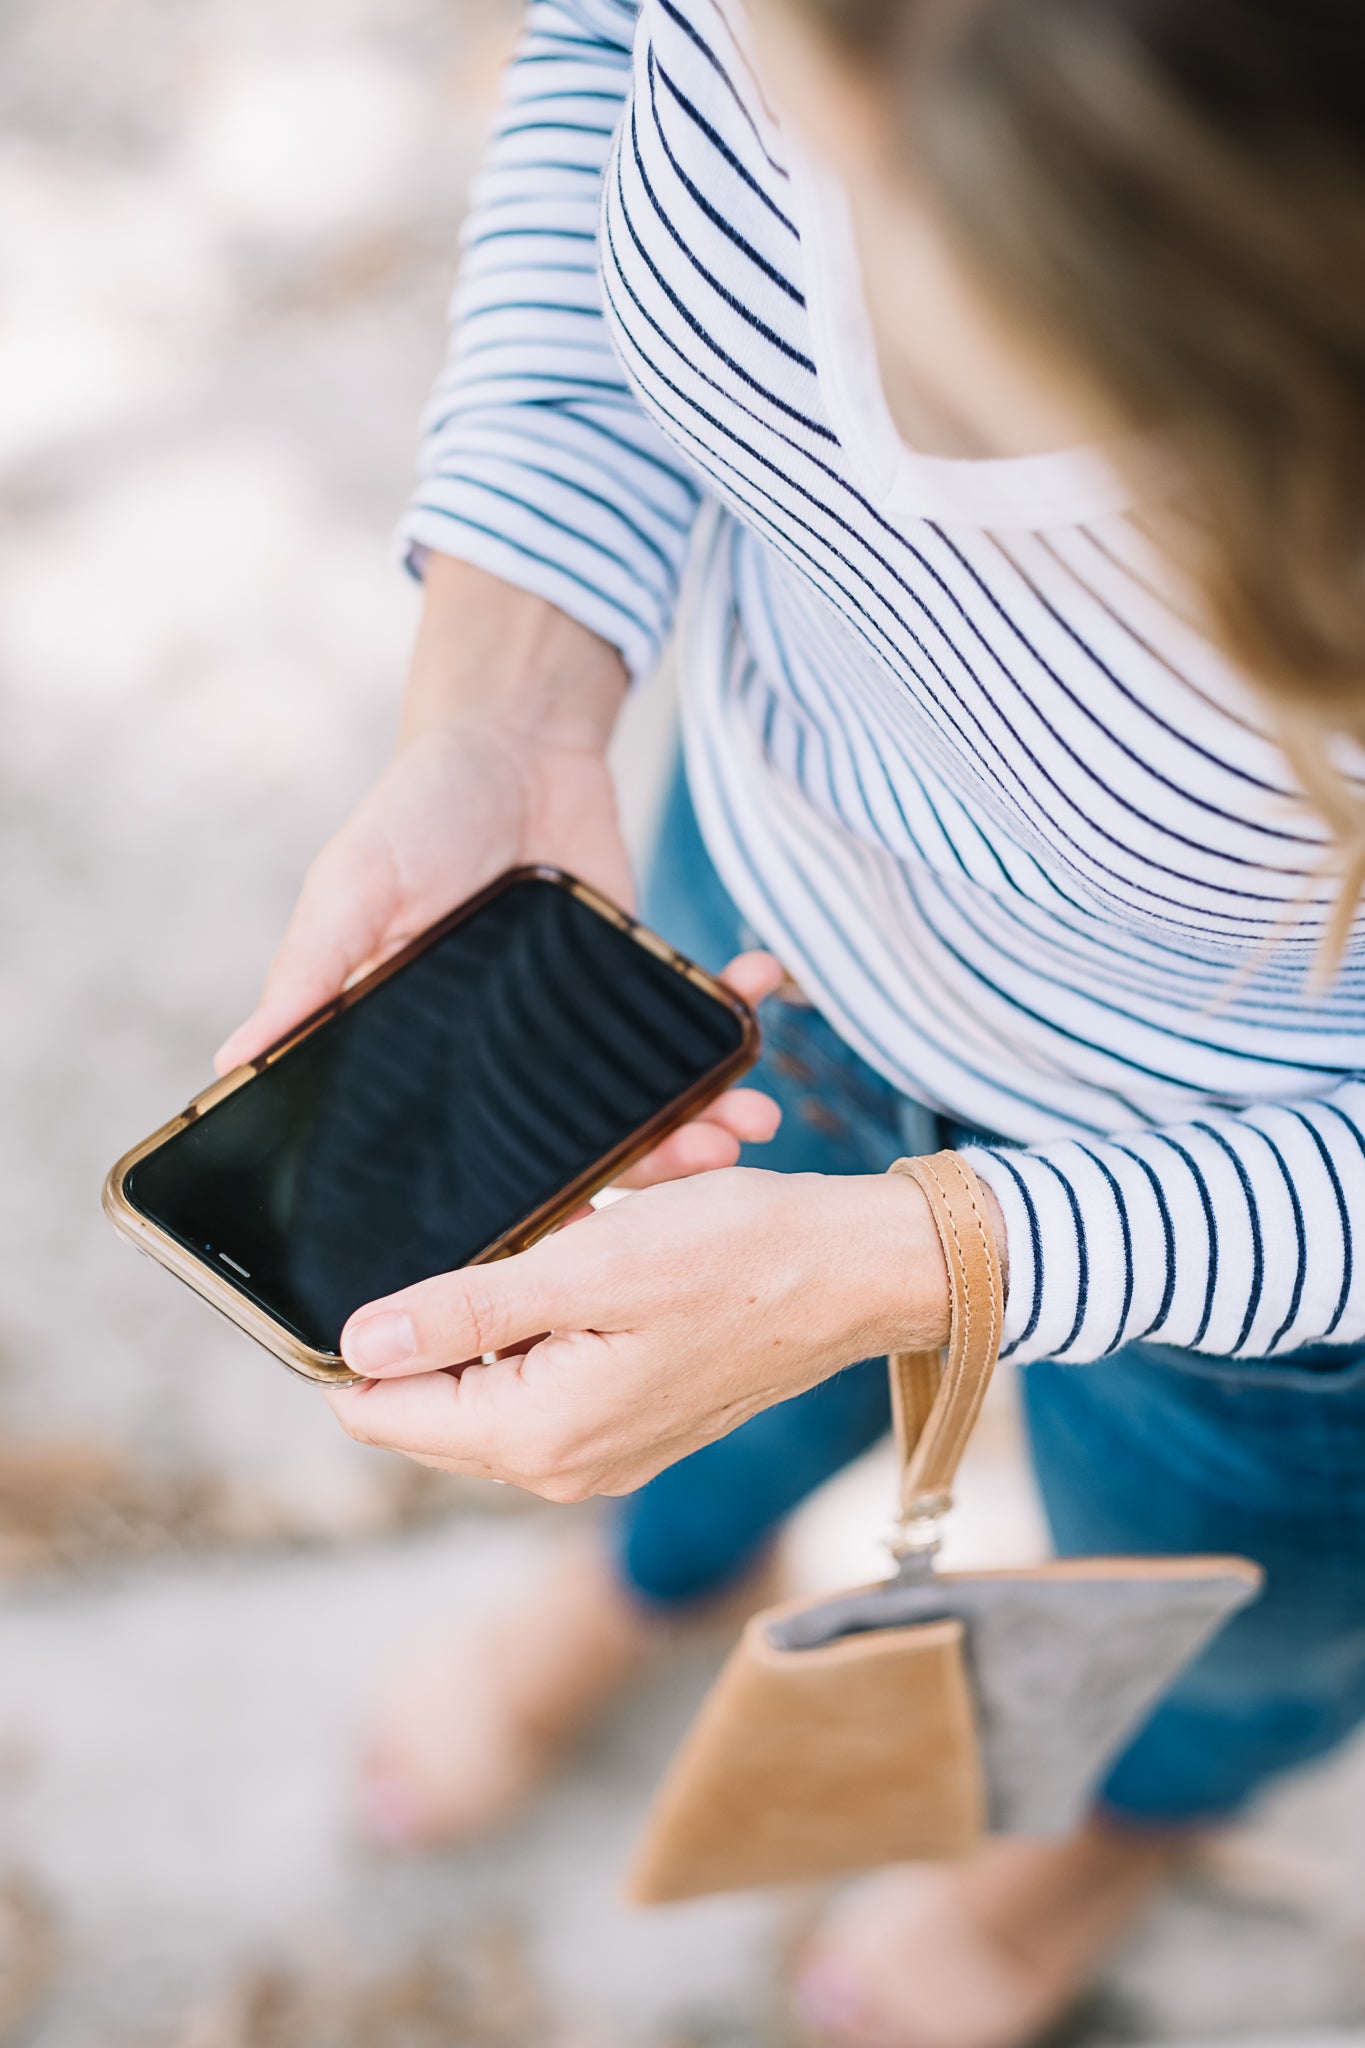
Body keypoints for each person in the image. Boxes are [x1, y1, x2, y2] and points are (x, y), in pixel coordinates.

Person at [214, 1, 1365, 2042]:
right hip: (767, 944)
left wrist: (936, 1261)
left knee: (1211, 1633)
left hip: (1278, 1248)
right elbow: (597, 72)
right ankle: (655, 1580)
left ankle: (1087, 1835)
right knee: (688, 1398)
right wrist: (510, 690)